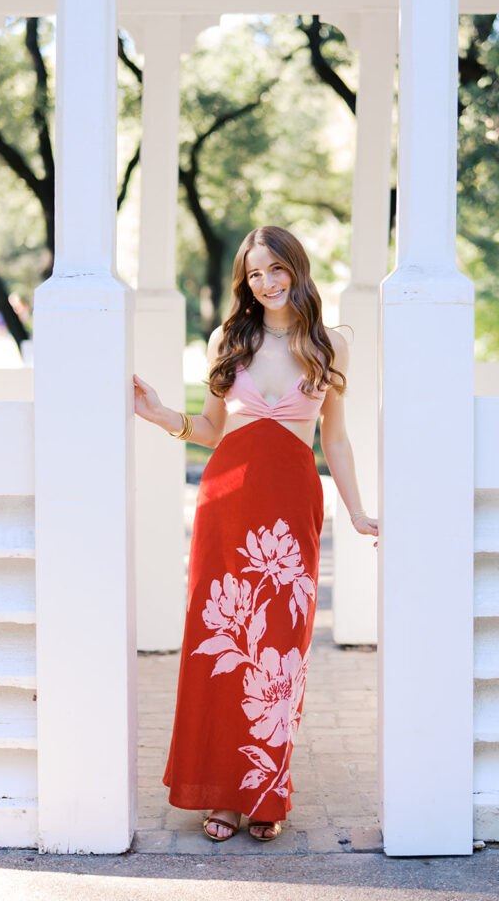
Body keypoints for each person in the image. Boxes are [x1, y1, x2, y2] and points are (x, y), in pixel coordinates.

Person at [133, 225, 378, 843]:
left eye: (276, 269)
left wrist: (355, 510)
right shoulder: (230, 338)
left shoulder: (329, 345)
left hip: (293, 500)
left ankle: (264, 791)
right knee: (222, 642)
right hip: (227, 500)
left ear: (297, 268)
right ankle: (220, 792)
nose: (265, 283)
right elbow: (214, 429)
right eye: (254, 273)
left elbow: (336, 439)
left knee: (280, 652)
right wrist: (164, 415)